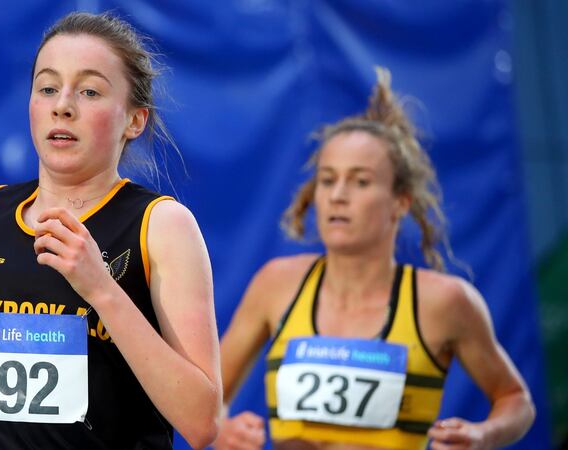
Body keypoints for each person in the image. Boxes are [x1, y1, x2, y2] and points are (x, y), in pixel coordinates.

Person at [0, 11, 221, 450]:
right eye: (47, 88)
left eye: (89, 91)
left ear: (134, 120)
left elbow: (202, 422)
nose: (62, 105)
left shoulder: (161, 226)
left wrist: (101, 289)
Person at [213, 68, 535, 450]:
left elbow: (516, 401)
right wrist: (222, 429)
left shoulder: (446, 302)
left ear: (401, 201)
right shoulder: (275, 285)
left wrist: (482, 435)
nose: (338, 195)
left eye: (361, 181)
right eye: (328, 179)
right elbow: (206, 396)